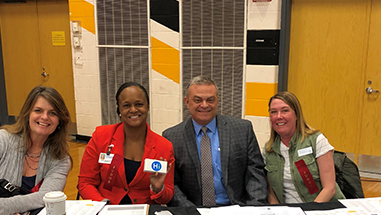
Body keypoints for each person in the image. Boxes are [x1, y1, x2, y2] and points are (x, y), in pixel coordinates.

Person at [0, 86, 72, 215]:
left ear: (60, 120)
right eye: (38, 110)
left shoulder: (60, 158)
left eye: (53, 113)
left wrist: (5, 207)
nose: (45, 117)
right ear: (27, 114)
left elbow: (47, 196)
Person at [162, 76, 267, 207]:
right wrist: (190, 211)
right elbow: (172, 183)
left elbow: (255, 174)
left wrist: (253, 208)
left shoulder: (242, 130)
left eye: (210, 100)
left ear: (217, 101)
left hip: (237, 210)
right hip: (194, 212)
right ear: (187, 102)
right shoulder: (171, 137)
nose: (204, 105)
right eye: (198, 100)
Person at [77, 82, 174, 205]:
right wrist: (102, 206)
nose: (133, 110)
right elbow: (86, 182)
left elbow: (167, 196)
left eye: (139, 104)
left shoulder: (164, 147)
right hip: (105, 210)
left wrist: (158, 188)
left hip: (144, 214)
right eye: (126, 105)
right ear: (119, 110)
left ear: (148, 107)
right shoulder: (101, 136)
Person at [264, 91, 345, 204]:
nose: (278, 116)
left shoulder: (316, 140)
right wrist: (279, 214)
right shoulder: (269, 150)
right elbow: (271, 193)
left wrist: (308, 214)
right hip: (289, 214)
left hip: (322, 208)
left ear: (296, 114)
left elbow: (329, 189)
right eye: (273, 112)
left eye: (285, 110)